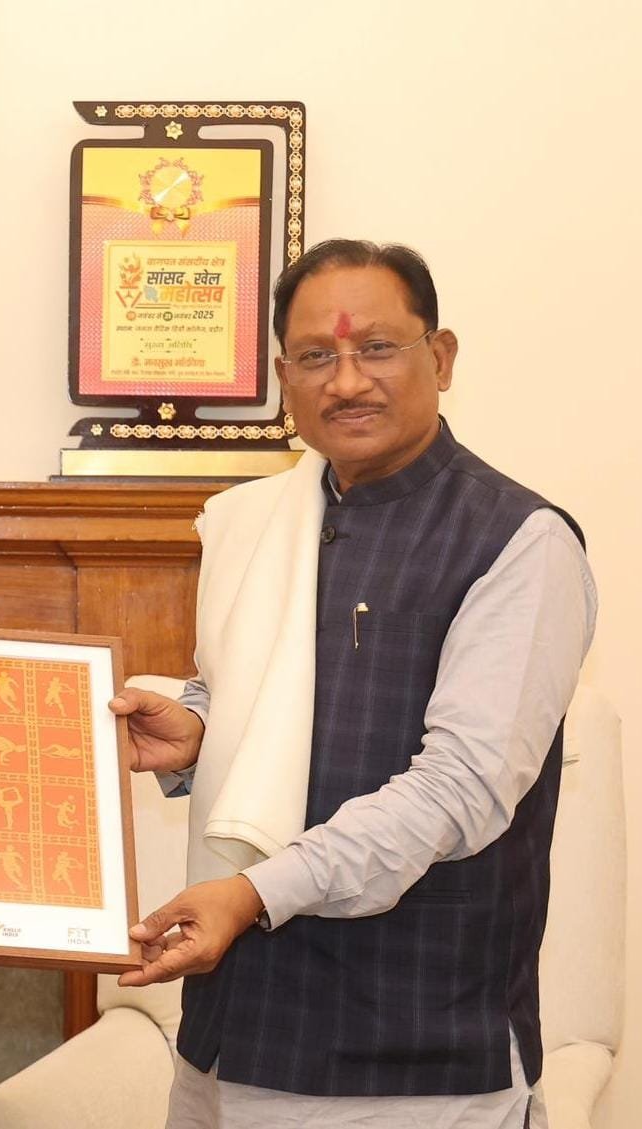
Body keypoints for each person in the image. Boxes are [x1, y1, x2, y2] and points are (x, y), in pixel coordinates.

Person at [110, 239, 596, 1128]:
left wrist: (253, 892)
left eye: (376, 347)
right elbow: (271, 696)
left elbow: (459, 789)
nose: (345, 381)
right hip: (226, 1033)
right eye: (315, 356)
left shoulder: (520, 543)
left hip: (412, 1061)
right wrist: (199, 732)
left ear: (440, 357)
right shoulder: (260, 520)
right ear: (282, 379)